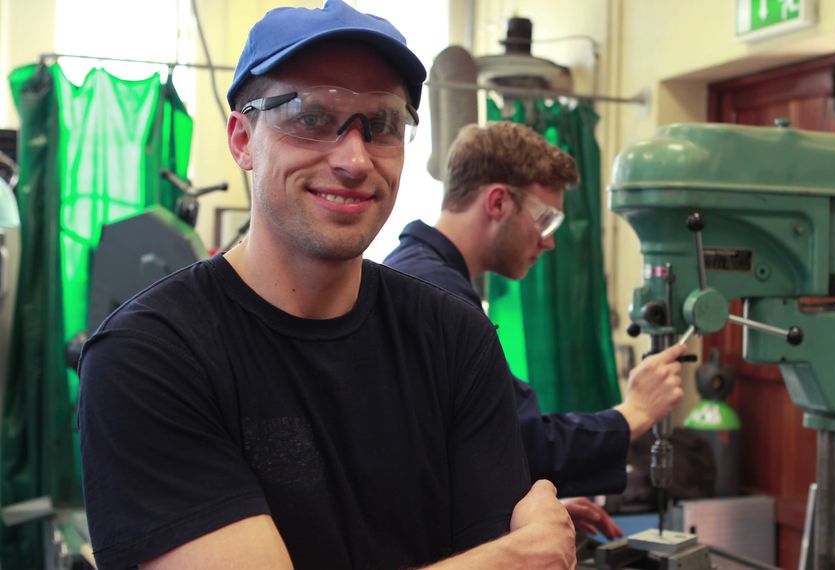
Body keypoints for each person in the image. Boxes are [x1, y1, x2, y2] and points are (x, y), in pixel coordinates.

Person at [76, 2, 575, 569]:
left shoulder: (454, 337)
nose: (354, 159)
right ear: (242, 138)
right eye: (310, 117)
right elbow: (517, 560)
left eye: (383, 124)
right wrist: (514, 558)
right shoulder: (149, 357)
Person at [384, 122, 687, 536]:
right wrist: (634, 412)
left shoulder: (416, 273)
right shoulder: (437, 297)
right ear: (497, 202)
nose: (549, 243)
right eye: (545, 220)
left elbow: (451, 448)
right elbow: (515, 440)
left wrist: (512, 505)